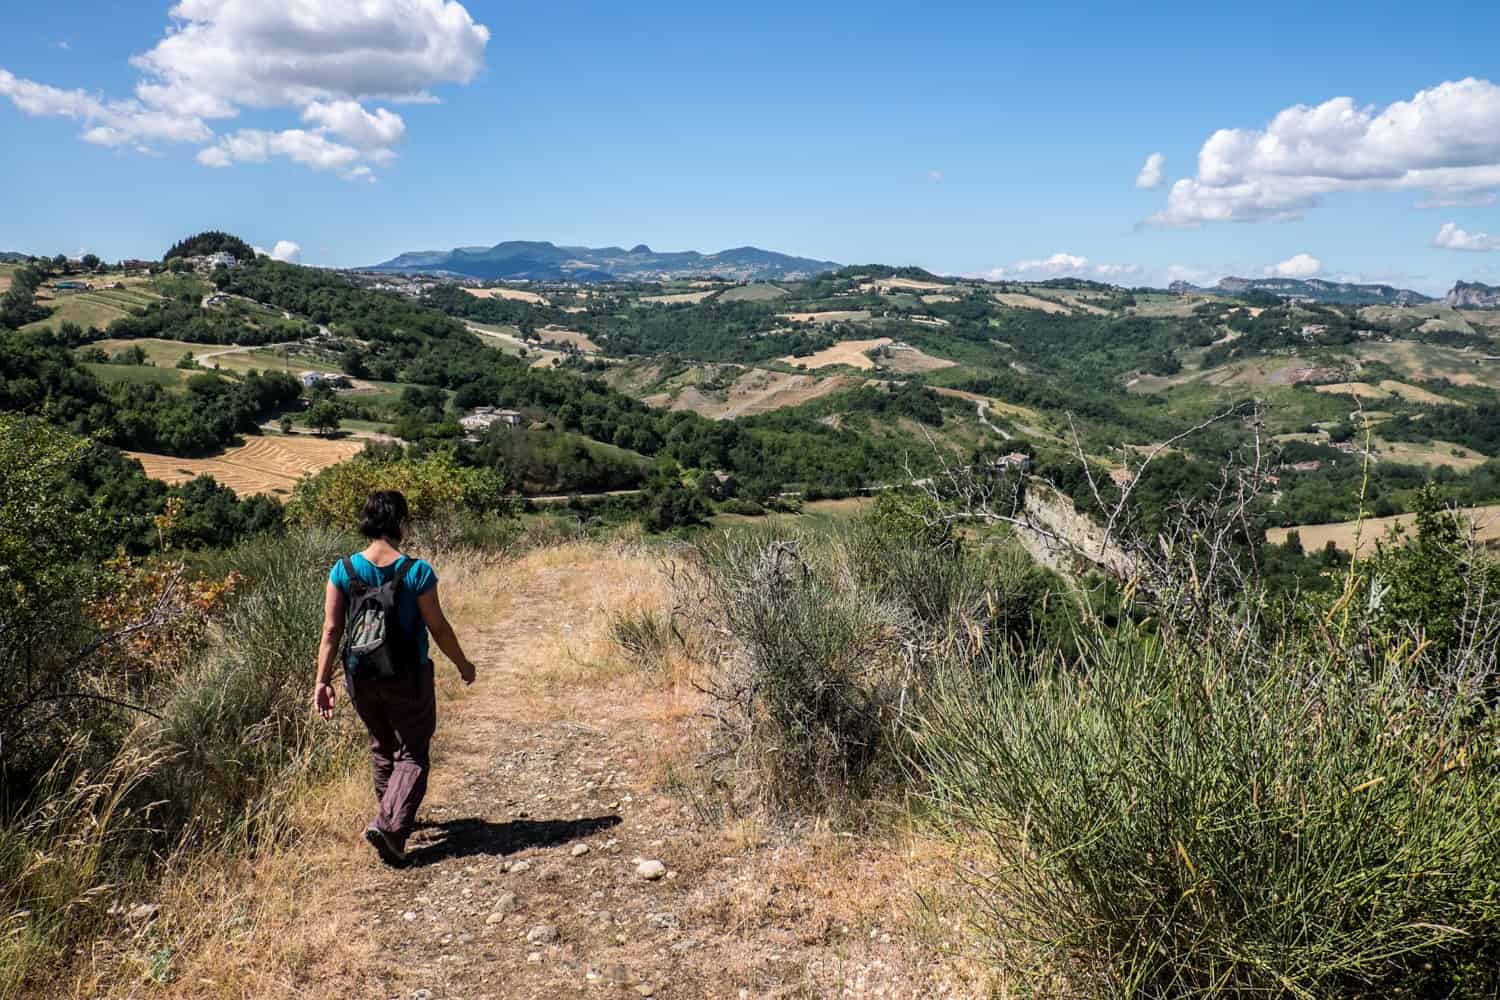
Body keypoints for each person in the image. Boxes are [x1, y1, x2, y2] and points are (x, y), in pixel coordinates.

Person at [314, 490, 478, 865]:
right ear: (400, 522)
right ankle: (390, 825)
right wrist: (463, 664)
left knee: (382, 744)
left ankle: (393, 821)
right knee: (414, 753)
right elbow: (438, 627)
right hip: (408, 676)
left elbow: (331, 630)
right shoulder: (417, 571)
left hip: (360, 676)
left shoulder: (344, 570)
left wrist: (322, 681)